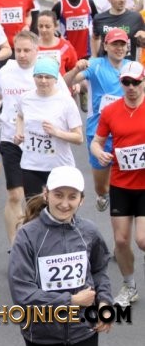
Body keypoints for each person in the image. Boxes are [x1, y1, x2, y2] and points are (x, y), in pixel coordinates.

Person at [9, 166, 113, 346]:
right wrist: (71, 300)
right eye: (58, 195)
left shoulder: (89, 231)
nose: (65, 204)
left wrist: (104, 301)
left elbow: (99, 271)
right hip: (43, 336)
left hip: (84, 331)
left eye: (72, 197)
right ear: (46, 194)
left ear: (81, 200)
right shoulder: (27, 236)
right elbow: (22, 293)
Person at [0, 31, 70, 244]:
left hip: (41, 144)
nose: (22, 55)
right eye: (18, 50)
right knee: (15, 195)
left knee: (43, 196)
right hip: (11, 139)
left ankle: (46, 237)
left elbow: (64, 102)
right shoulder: (6, 71)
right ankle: (15, 245)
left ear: (37, 50)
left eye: (27, 50)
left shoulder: (46, 72)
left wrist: (58, 131)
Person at [91, 61, 145, 308]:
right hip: (121, 183)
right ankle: (129, 285)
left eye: (136, 82)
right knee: (121, 241)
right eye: (126, 82)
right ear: (121, 83)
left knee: (142, 240)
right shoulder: (111, 111)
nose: (131, 87)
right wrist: (99, 153)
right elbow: (97, 142)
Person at [64, 28, 131, 212]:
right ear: (105, 46)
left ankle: (125, 202)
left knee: (128, 177)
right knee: (101, 186)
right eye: (115, 44)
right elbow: (66, 83)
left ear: (127, 47)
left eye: (122, 44)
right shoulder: (95, 65)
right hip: (99, 132)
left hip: (126, 131)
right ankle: (103, 194)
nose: (119, 48)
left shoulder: (132, 67)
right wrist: (76, 69)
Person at [14, 57, 83, 198]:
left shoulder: (66, 101)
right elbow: (20, 116)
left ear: (55, 79)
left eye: (48, 77)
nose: (43, 81)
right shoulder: (25, 98)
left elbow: (79, 138)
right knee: (34, 208)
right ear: (34, 77)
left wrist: (57, 132)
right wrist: (19, 133)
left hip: (59, 167)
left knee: (59, 208)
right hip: (31, 165)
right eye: (39, 76)